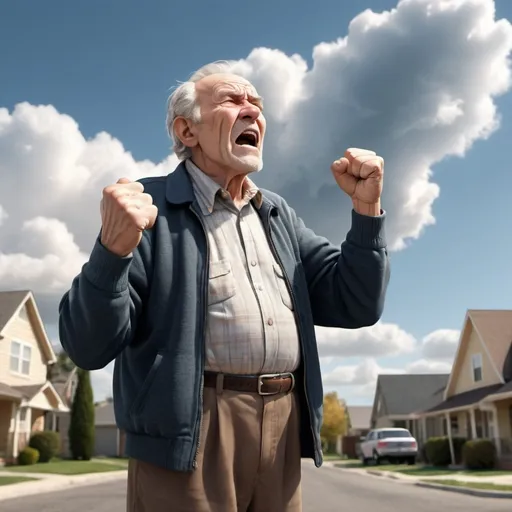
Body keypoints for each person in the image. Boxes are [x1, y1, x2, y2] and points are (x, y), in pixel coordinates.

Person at [59, 60, 390, 512]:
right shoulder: (148, 208)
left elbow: (356, 302)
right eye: (233, 100)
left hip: (282, 423)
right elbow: (88, 346)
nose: (252, 110)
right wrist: (111, 251)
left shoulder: (277, 214)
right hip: (193, 429)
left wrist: (366, 213)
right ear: (187, 131)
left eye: (256, 102)